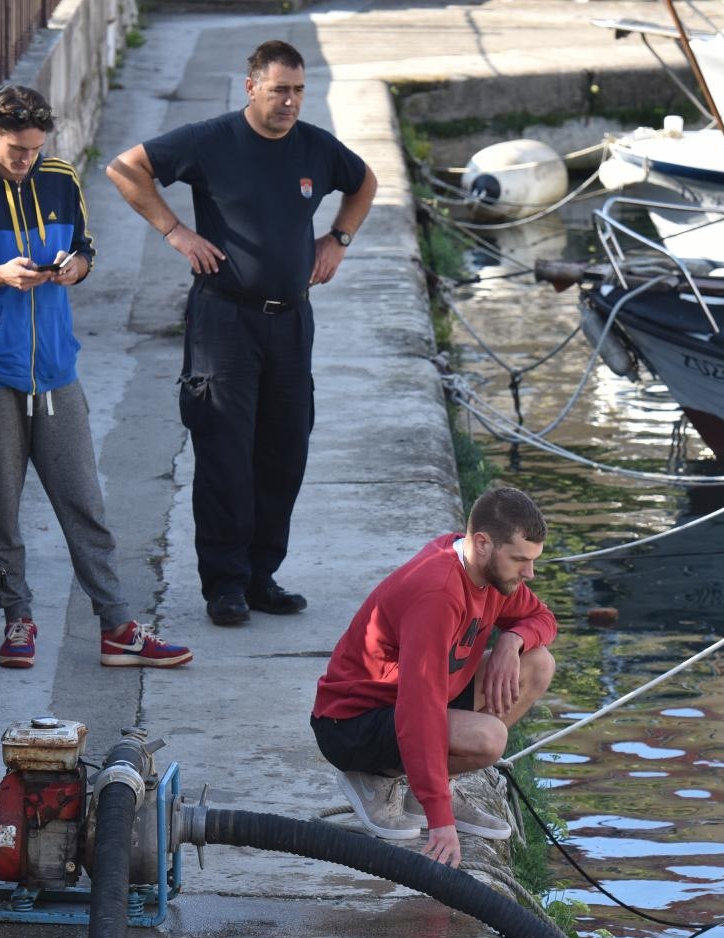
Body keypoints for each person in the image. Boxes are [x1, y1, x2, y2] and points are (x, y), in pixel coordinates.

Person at [105, 39, 379, 627]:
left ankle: (262, 576)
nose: (291, 102)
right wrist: (176, 231)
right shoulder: (212, 140)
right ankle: (224, 585)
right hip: (225, 319)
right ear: (252, 86)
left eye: (299, 90)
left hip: (291, 321)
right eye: (280, 89)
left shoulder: (314, 148)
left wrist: (339, 240)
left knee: (285, 450)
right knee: (226, 452)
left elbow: (365, 182)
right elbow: (125, 168)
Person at [0, 85, 191, 670]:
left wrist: (76, 267)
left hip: (57, 371)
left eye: (34, 148)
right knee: (1, 509)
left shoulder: (60, 176)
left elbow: (85, 247)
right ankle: (17, 618)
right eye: (15, 148)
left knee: (83, 502)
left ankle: (118, 626)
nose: (26, 159)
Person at [311, 488, 558, 869]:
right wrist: (440, 820)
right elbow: (418, 710)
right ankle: (373, 779)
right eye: (520, 560)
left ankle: (422, 788)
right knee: (489, 738)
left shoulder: (490, 573)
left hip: (418, 700)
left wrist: (512, 640)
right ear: (483, 543)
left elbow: (544, 620)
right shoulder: (437, 594)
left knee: (538, 663)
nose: (530, 573)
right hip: (353, 723)